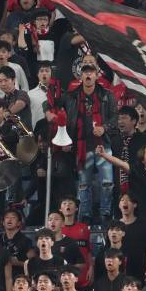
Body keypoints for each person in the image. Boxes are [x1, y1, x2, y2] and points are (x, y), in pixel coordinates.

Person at [59, 63, 117, 224]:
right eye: (85, 72)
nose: (88, 75)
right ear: (80, 76)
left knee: (107, 182)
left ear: (97, 75)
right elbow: (55, 110)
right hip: (81, 146)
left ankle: (105, 212)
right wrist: (65, 139)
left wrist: (104, 128)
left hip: (102, 145)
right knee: (84, 184)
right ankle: (85, 214)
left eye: (91, 72)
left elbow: (115, 118)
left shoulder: (107, 95)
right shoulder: (71, 96)